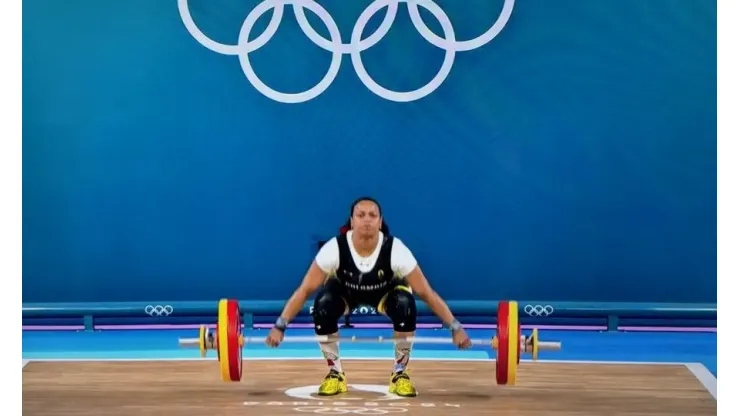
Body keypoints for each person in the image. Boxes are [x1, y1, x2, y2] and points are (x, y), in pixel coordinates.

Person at [265, 197, 471, 397]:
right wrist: (279, 326)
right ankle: (335, 373)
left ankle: (400, 374)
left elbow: (427, 293)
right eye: (361, 215)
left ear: (380, 222)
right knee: (322, 305)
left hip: (386, 293)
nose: (367, 219)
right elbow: (304, 290)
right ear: (352, 221)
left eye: (372, 215)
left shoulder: (395, 249)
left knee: (405, 305)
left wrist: (456, 328)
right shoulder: (334, 248)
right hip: (345, 292)